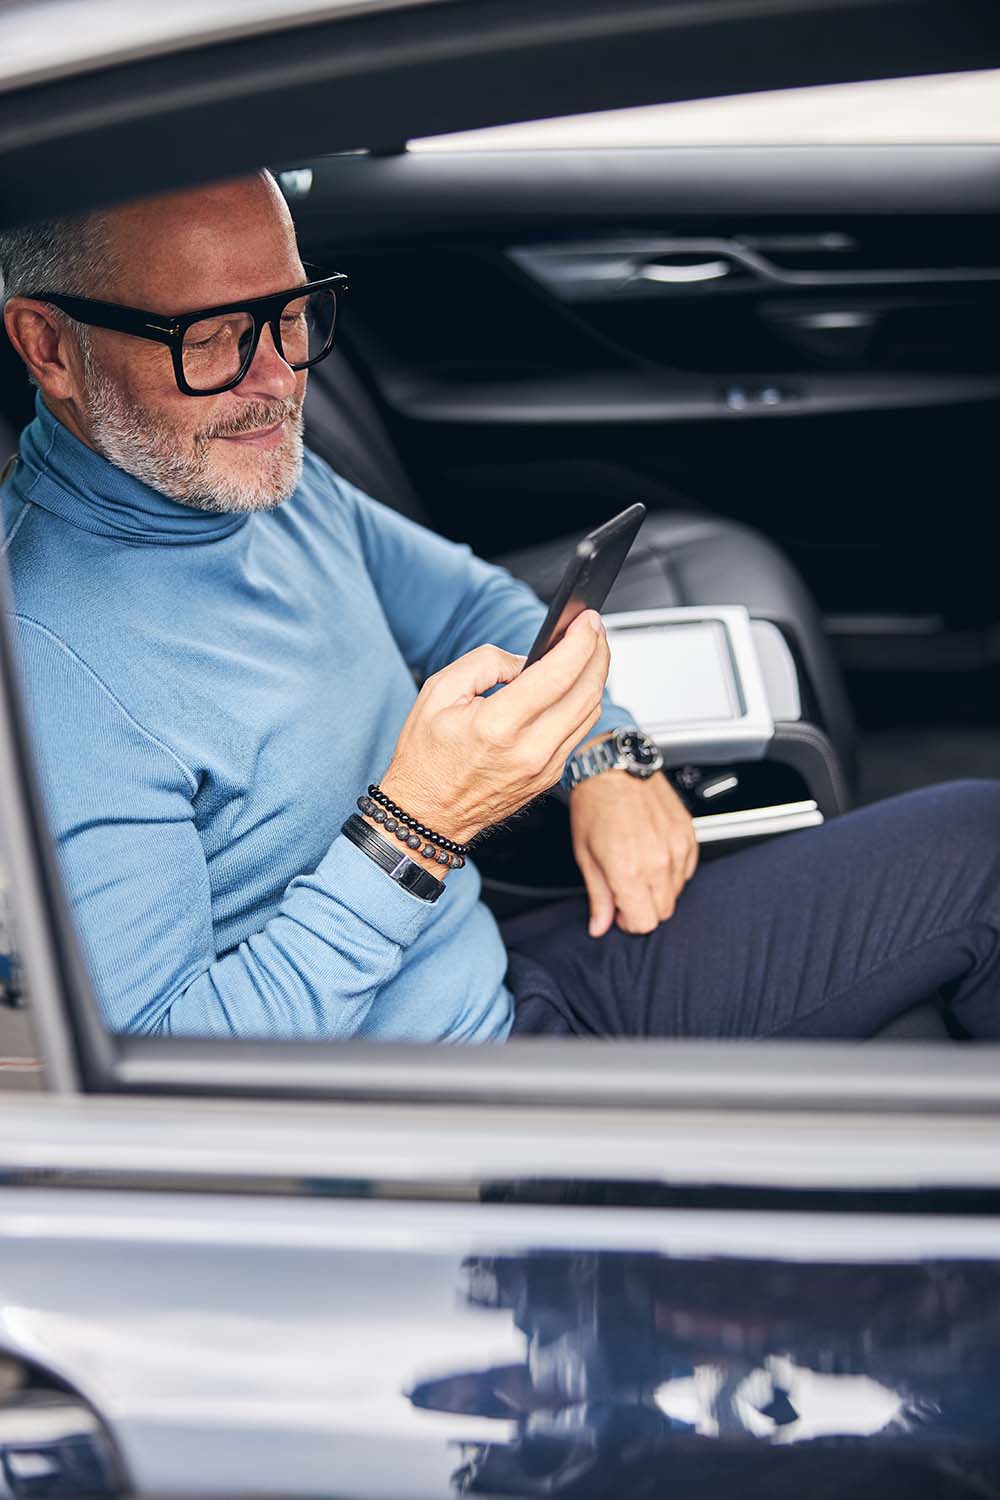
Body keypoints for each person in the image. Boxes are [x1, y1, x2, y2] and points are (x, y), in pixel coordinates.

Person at [0, 170, 998, 1043]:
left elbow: (473, 603)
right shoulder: (45, 665)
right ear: (48, 347)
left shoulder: (251, 483)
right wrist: (416, 827)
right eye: (212, 337)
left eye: (290, 313)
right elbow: (165, 1073)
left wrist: (605, 756)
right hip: (453, 1125)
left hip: (509, 962)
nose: (275, 380)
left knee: (978, 842)